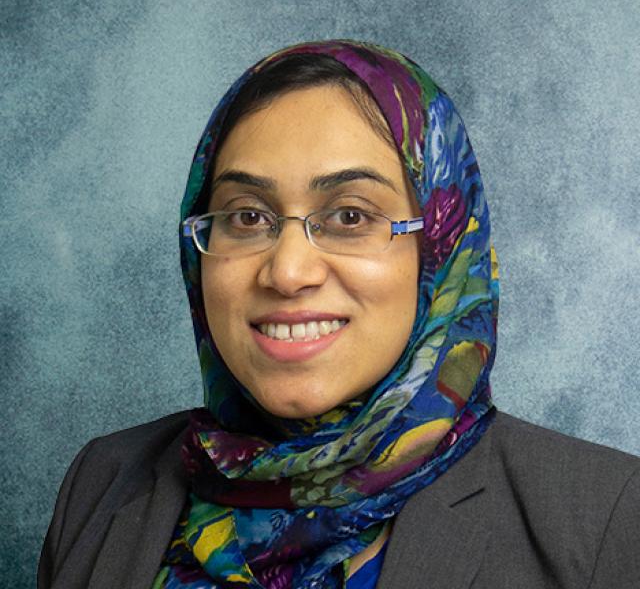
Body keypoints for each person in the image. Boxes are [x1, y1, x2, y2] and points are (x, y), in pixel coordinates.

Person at [38, 40, 640, 589]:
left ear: (444, 248)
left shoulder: (605, 519)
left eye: (350, 216)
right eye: (247, 216)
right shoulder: (104, 482)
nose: (287, 271)